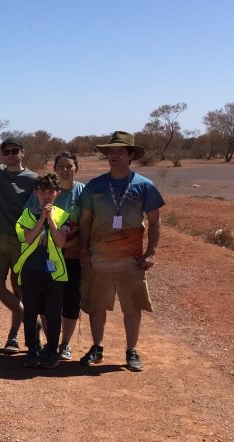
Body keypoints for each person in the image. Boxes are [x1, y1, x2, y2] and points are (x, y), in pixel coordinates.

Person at [77, 131, 164, 371]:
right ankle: (97, 348)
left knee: (132, 305)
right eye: (110, 152)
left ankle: (131, 351)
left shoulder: (144, 186)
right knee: (96, 305)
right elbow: (85, 221)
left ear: (130, 155)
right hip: (99, 256)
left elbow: (155, 221)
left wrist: (152, 252)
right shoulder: (95, 185)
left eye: (119, 151)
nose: (113, 155)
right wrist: (83, 250)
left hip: (131, 258)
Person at [0, 137, 39, 353]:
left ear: (22, 152)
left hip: (22, 241)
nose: (10, 155)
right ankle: (31, 320)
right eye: (6, 152)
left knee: (21, 290)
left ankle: (14, 337)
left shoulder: (33, 179)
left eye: (14, 151)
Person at [13, 173, 70, 368]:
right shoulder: (26, 215)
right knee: (30, 311)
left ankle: (52, 350)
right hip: (31, 269)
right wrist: (42, 218)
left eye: (50, 192)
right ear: (36, 193)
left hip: (54, 273)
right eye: (42, 191)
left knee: (53, 312)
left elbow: (61, 242)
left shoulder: (63, 215)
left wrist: (51, 219)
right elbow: (27, 238)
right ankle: (31, 350)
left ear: (57, 193)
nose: (46, 195)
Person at [45, 152, 85, 360]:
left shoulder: (83, 192)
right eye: (61, 166)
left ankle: (65, 344)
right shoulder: (49, 191)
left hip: (73, 256)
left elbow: (89, 225)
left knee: (70, 301)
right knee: (49, 300)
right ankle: (50, 341)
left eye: (69, 166)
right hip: (50, 255)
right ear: (55, 168)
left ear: (76, 168)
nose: (65, 170)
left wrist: (71, 243)